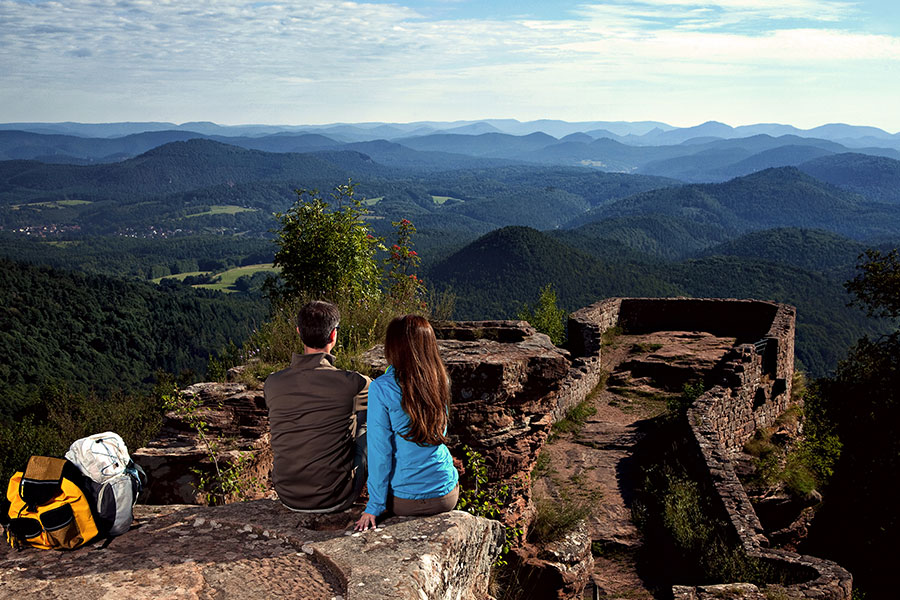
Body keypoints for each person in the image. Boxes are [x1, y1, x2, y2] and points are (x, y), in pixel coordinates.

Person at [354, 315, 459, 531]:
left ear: (393, 347)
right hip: (446, 495)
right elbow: (440, 430)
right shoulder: (442, 380)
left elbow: (379, 452)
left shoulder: (382, 388)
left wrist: (374, 506)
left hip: (404, 502)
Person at [264, 300, 369, 512]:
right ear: (333, 335)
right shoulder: (354, 383)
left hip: (287, 495)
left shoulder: (273, 383)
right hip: (335, 497)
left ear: (298, 332)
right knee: (372, 423)